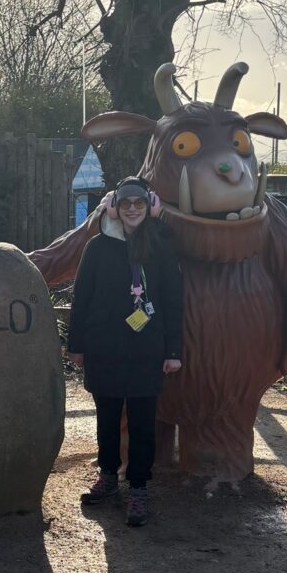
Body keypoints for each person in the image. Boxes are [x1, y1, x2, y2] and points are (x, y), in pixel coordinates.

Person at [67, 176, 184, 527]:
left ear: (148, 206)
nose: (133, 210)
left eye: (140, 204)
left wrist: (173, 349)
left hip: (147, 349)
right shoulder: (98, 247)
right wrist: (76, 345)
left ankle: (138, 487)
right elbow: (81, 298)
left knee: (143, 423)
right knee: (106, 419)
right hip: (105, 348)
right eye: (127, 204)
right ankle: (107, 476)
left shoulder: (160, 246)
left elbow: (173, 300)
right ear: (115, 207)